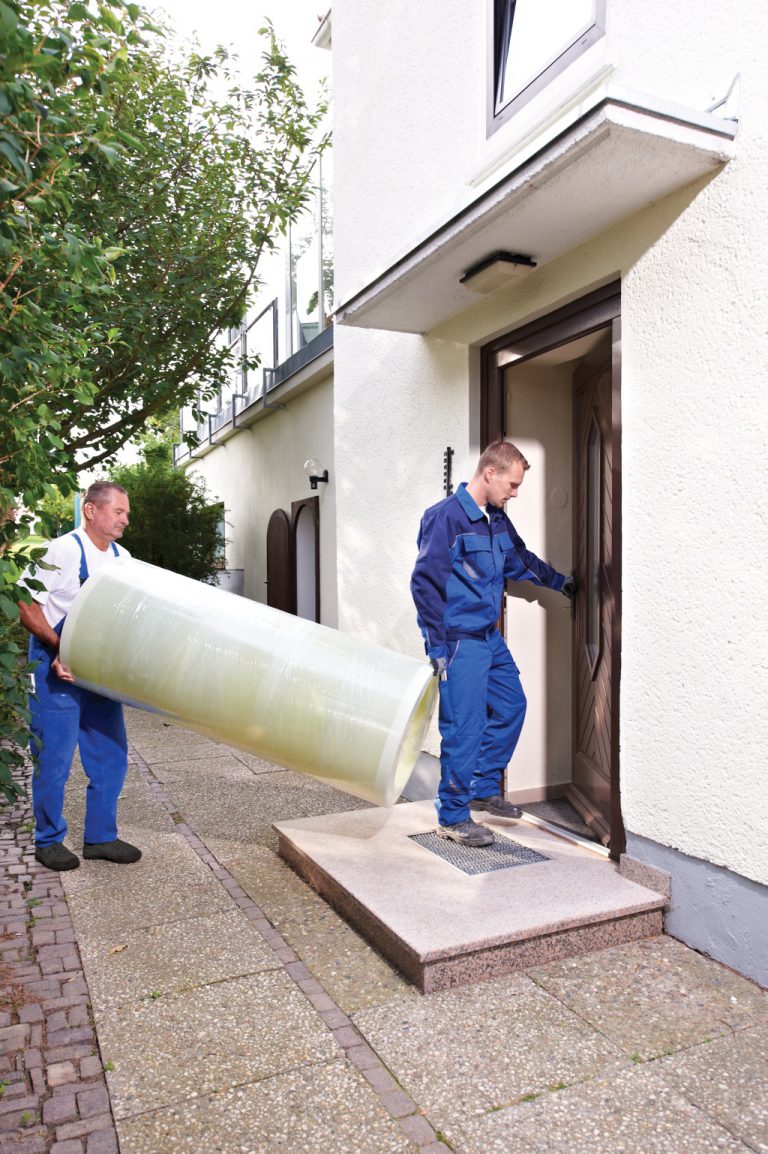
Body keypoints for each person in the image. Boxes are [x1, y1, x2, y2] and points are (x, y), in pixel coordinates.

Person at [410, 441, 576, 847]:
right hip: (459, 642)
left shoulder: (496, 519)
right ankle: (452, 816)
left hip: (489, 636)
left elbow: (518, 559)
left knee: (510, 705)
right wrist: (438, 647)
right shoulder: (445, 517)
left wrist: (563, 583)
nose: (515, 492)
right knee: (464, 727)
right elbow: (424, 583)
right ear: (490, 473)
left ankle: (484, 787)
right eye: (513, 484)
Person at [18, 481, 141, 871]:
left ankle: (100, 838)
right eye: (118, 512)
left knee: (110, 756)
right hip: (57, 668)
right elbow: (25, 603)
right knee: (54, 758)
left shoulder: (123, 558)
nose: (125, 520)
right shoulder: (64, 550)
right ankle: (48, 839)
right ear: (91, 510)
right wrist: (60, 648)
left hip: (99, 671)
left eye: (126, 514)